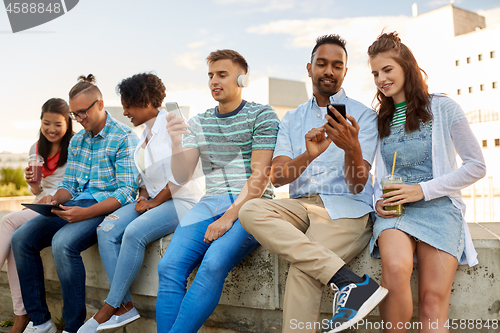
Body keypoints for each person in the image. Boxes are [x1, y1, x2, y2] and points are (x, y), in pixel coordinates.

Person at [239, 34, 387, 333]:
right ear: (309, 68)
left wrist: (352, 148)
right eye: (322, 64)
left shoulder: (364, 117)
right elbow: (278, 178)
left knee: (303, 274)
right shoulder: (292, 119)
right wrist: (309, 154)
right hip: (301, 205)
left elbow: (358, 185)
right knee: (251, 210)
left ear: (345, 71)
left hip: (346, 210)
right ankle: (349, 282)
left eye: (337, 65)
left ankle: (349, 285)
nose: (329, 71)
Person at [367, 32, 486, 332]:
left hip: (439, 209)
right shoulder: (380, 118)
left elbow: (476, 166)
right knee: (395, 270)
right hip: (396, 213)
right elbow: (371, 175)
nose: (381, 78)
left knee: (432, 301)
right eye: (375, 73)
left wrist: (423, 190)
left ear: (406, 66)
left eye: (387, 70)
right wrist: (377, 202)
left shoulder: (443, 108)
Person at [156, 49, 280, 333]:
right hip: (209, 202)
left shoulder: (262, 114)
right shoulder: (199, 122)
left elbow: (260, 177)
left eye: (222, 74)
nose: (214, 80)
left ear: (242, 79)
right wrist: (176, 141)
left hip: (251, 204)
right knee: (168, 267)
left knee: (212, 264)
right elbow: (182, 174)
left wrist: (229, 216)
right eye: (210, 75)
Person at [77, 73, 204, 333]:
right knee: (107, 229)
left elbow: (181, 177)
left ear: (145, 101)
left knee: (134, 233)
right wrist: (144, 196)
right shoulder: (143, 135)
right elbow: (145, 177)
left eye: (128, 104)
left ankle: (109, 307)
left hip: (180, 201)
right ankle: (125, 308)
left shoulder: (173, 125)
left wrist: (153, 201)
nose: (124, 112)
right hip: (153, 200)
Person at [11, 74, 139, 333]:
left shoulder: (124, 137)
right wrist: (53, 199)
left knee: (63, 243)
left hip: (105, 206)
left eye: (82, 113)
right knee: (21, 239)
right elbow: (70, 185)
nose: (78, 120)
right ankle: (41, 321)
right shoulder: (78, 141)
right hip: (77, 204)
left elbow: (127, 191)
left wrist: (87, 213)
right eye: (74, 115)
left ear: (100, 104)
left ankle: (72, 326)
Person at [0, 98, 72, 333]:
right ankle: (22, 315)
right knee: (13, 238)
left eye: (58, 124)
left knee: (7, 221)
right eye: (46, 123)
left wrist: (50, 198)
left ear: (68, 123)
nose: (51, 129)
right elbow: (37, 191)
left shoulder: (75, 147)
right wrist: (33, 184)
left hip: (63, 205)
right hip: (40, 205)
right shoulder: (35, 148)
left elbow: (75, 186)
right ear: (40, 122)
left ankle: (23, 316)